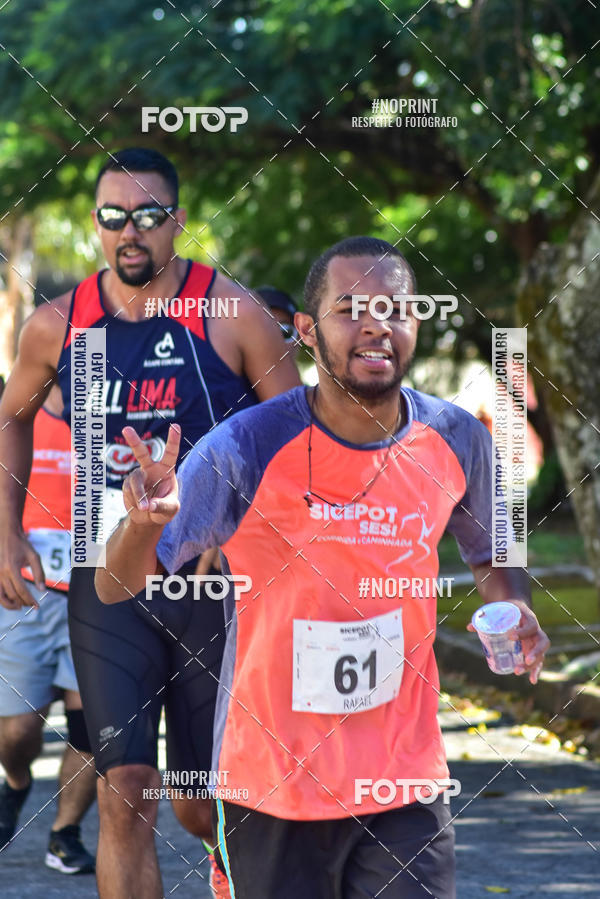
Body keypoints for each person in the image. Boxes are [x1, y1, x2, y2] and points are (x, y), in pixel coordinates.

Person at [97, 235, 550, 897]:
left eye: (395, 307)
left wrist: (512, 607)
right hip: (273, 786)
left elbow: (490, 552)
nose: (376, 324)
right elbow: (116, 582)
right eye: (351, 308)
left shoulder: (458, 439)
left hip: (405, 781)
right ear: (307, 331)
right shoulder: (248, 446)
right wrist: (142, 524)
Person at [0, 147, 300, 898]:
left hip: (212, 589)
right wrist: (4, 530)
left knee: (203, 800)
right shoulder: (57, 325)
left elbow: (300, 434)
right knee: (125, 787)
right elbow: (10, 417)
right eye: (112, 217)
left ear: (178, 221)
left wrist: (248, 534)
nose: (129, 232)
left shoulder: (232, 313)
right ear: (96, 226)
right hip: (105, 587)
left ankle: (233, 867)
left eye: (147, 216)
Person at [0, 384, 97, 873]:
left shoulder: (120, 406)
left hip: (99, 594)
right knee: (17, 730)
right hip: (25, 594)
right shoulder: (19, 411)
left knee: (87, 727)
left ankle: (65, 833)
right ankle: (16, 783)